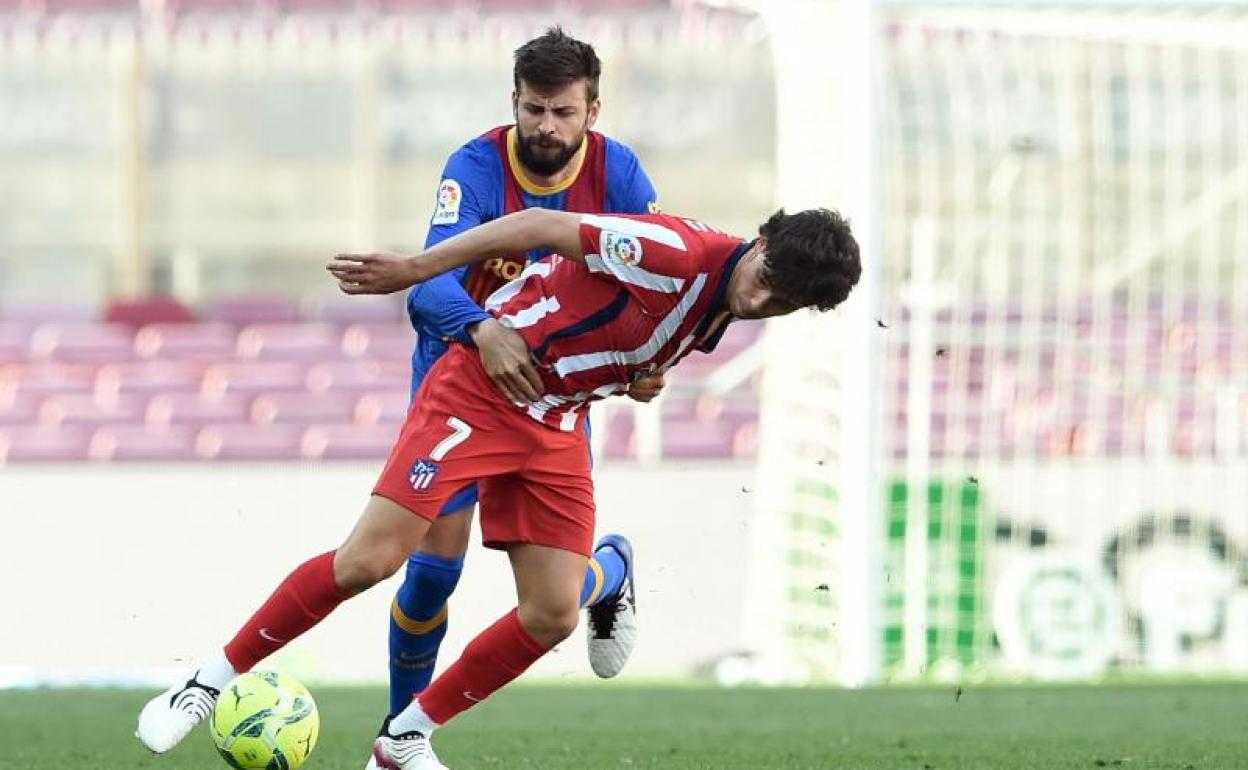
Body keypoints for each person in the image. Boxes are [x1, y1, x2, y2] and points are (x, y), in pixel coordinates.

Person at [136, 205, 862, 770]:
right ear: (760, 240)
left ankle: (402, 742)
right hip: (479, 392)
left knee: (552, 615)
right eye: (766, 279)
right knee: (371, 562)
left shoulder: (740, 294)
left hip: (555, 419)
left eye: (782, 302)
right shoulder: (677, 252)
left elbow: (636, 334)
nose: (763, 299)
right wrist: (417, 270)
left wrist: (638, 374)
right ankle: (202, 684)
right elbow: (538, 227)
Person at [391, 26, 661, 716]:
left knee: (554, 603)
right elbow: (429, 284)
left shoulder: (620, 176)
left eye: (563, 111)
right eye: (534, 108)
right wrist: (485, 332)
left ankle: (614, 569)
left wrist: (648, 363)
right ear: (514, 101)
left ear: (591, 112)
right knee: (428, 577)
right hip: (458, 386)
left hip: (552, 404)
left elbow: (661, 284)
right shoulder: (476, 167)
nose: (546, 125)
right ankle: (401, 732)